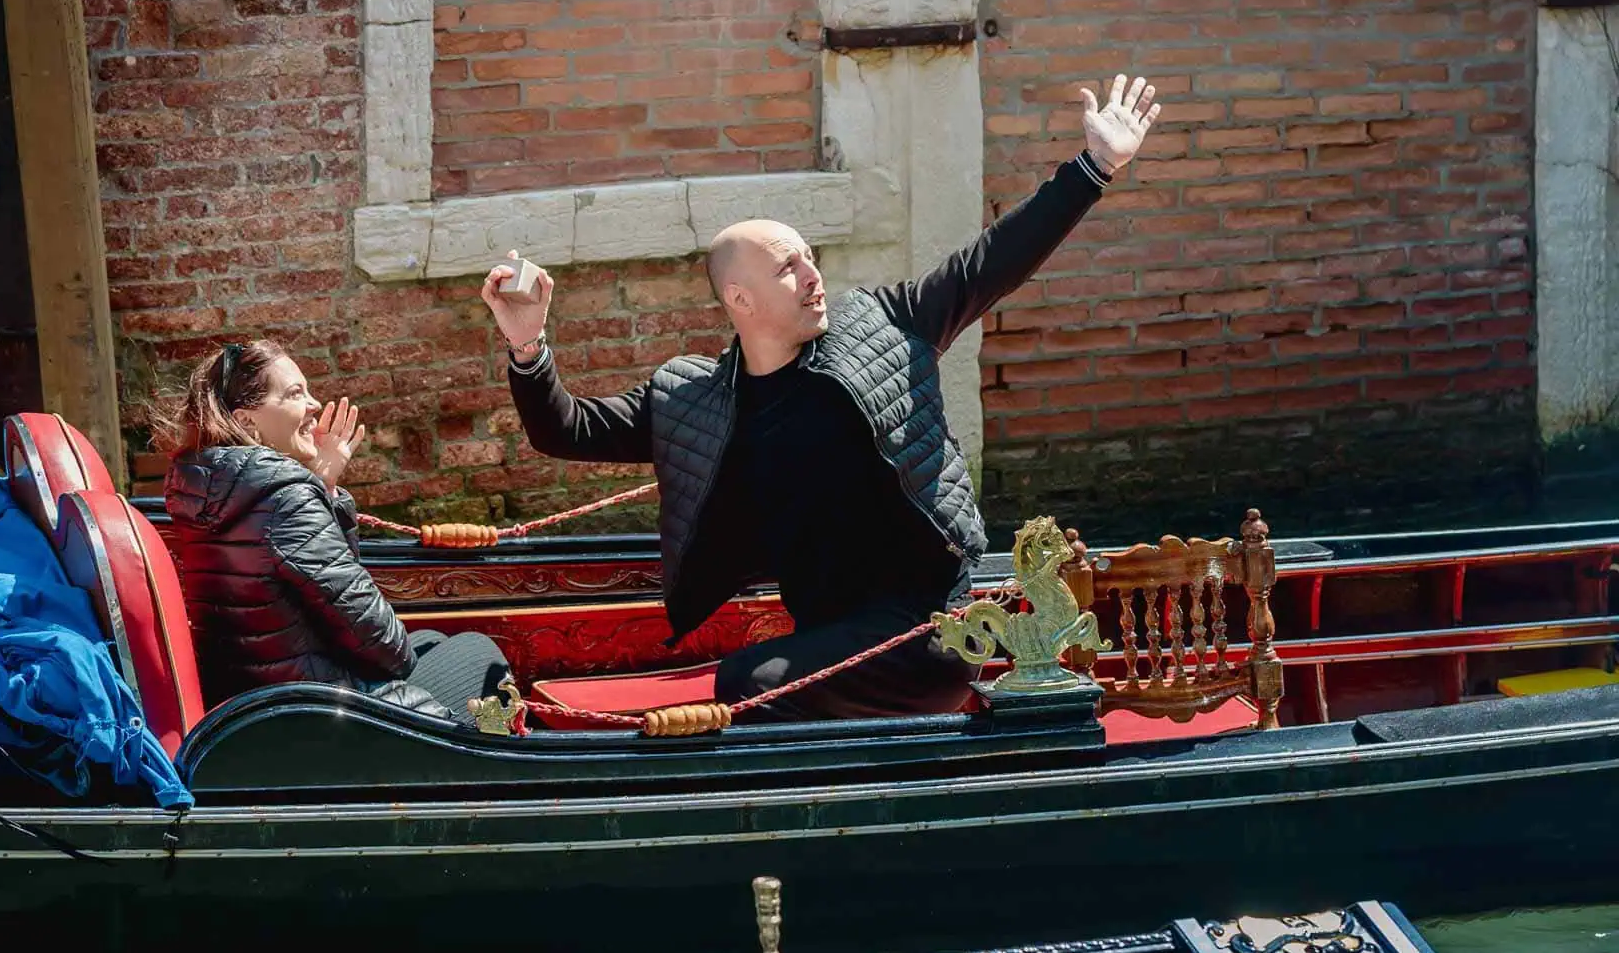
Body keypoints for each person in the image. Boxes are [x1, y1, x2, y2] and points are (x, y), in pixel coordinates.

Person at [485, 74, 1162, 721]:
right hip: (833, 636)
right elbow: (565, 431)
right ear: (740, 300)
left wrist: (1094, 166)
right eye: (789, 266)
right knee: (747, 678)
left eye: (811, 256)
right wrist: (527, 348)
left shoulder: (888, 325)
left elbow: (993, 261)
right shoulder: (695, 400)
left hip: (931, 630)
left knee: (744, 683)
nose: (814, 275)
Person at [158, 340, 511, 729]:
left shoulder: (209, 491)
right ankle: (490, 760)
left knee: (431, 639)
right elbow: (388, 648)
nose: (314, 405)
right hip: (319, 716)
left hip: (261, 703)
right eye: (295, 394)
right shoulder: (286, 502)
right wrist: (309, 495)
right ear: (246, 422)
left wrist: (322, 486)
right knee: (477, 651)